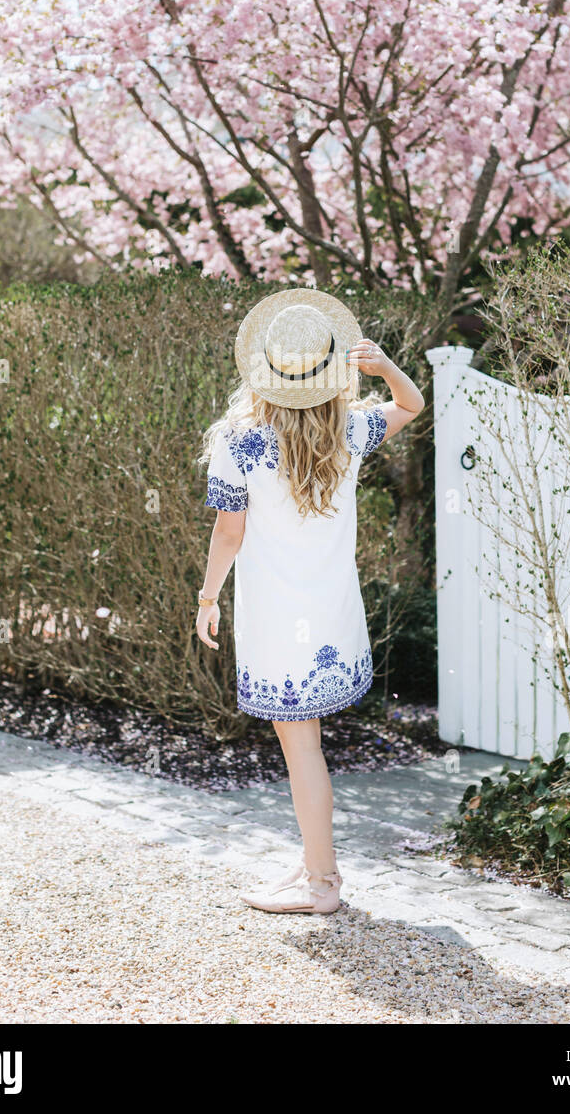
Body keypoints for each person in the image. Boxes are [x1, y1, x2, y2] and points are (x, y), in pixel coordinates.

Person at [196, 287, 425, 914]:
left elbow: (229, 531)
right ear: (331, 368)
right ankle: (311, 864)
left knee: (302, 749)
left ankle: (322, 884)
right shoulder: (349, 428)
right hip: (331, 612)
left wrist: (208, 595)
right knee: (309, 744)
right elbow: (413, 402)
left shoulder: (240, 441)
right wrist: (383, 367)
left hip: (275, 615)